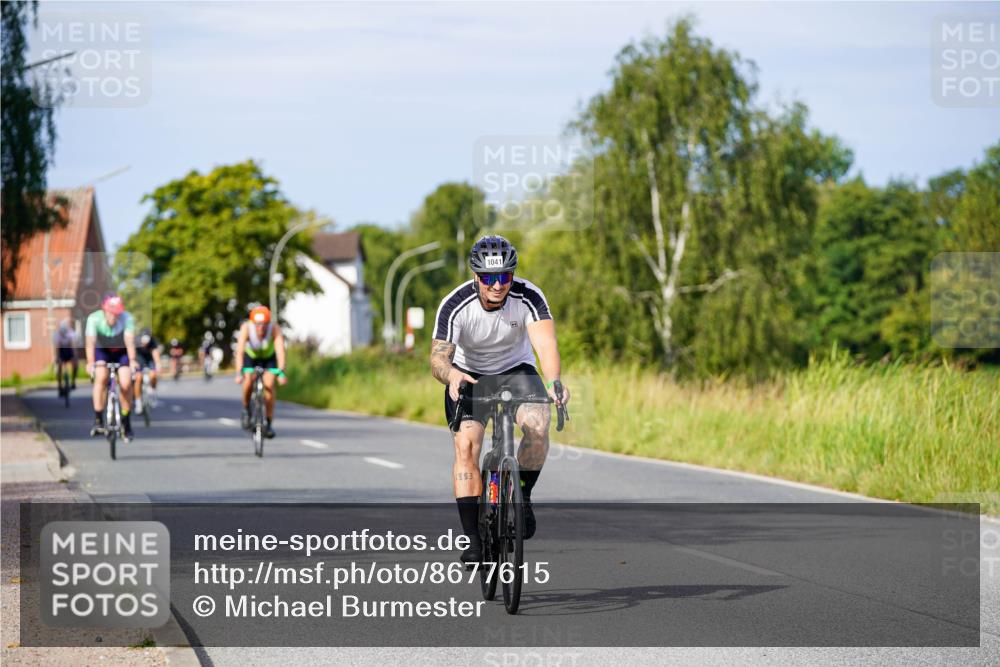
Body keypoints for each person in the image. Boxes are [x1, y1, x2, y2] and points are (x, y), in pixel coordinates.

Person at [430, 235, 570, 564]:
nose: (497, 285)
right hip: (468, 374)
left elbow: (546, 344)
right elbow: (437, 358)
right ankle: (474, 542)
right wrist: (451, 374)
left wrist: (553, 382)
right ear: (476, 276)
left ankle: (523, 492)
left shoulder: (528, 296)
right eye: (489, 278)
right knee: (467, 447)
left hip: (515, 369)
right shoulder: (456, 304)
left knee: (538, 424)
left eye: (504, 276)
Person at [85, 294, 138, 441]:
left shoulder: (127, 318)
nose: (114, 317)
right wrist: (90, 362)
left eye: (117, 314)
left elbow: (130, 341)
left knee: (126, 383)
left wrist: (132, 360)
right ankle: (98, 420)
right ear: (104, 310)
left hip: (121, 351)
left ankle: (126, 423)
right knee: (101, 377)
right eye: (111, 313)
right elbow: (90, 342)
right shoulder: (94, 319)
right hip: (102, 351)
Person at [233, 305, 287, 438]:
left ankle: (268, 423)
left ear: (268, 323)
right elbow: (239, 351)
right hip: (251, 357)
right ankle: (246, 410)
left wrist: (280, 372)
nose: (260, 328)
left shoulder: (274, 328)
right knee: (248, 381)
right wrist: (239, 372)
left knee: (269, 385)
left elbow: (280, 351)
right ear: (253, 323)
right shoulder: (246, 328)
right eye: (257, 325)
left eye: (264, 324)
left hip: (268, 358)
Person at [134, 327, 162, 413]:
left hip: (149, 359)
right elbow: (132, 354)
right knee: (138, 378)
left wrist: (158, 364)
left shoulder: (153, 342)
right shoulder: (136, 341)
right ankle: (138, 402)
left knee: (153, 375)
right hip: (139, 359)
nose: (145, 344)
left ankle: (152, 391)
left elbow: (155, 353)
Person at [52, 318, 79, 393]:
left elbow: (73, 346)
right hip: (61, 351)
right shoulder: (57, 334)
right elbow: (57, 347)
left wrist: (74, 356)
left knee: (75, 364)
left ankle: (73, 381)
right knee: (59, 366)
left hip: (69, 350)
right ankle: (60, 385)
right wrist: (57, 357)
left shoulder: (71, 333)